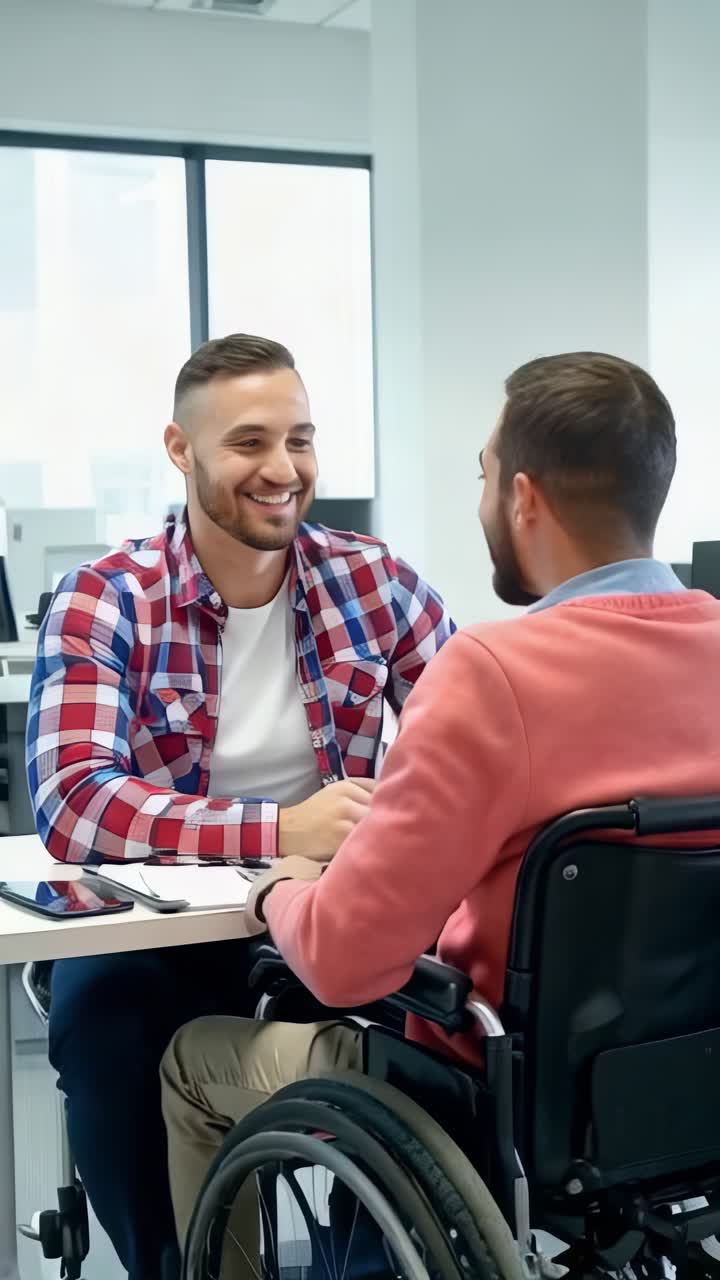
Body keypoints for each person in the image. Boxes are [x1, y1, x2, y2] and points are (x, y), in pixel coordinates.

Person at [160, 350, 720, 1256]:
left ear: (525, 498)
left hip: (492, 1086)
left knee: (190, 1065)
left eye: (485, 476)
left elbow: (345, 964)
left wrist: (280, 888)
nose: (481, 499)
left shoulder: (496, 673)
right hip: (683, 1084)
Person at [25, 333, 454, 1280]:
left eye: (300, 439)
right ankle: (176, 1267)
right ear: (181, 451)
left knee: (432, 1044)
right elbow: (73, 803)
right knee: (106, 1046)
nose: (283, 469)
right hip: (156, 937)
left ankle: (365, 1265)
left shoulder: (372, 580)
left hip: (322, 913)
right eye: (250, 442)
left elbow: (470, 743)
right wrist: (280, 830)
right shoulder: (109, 597)